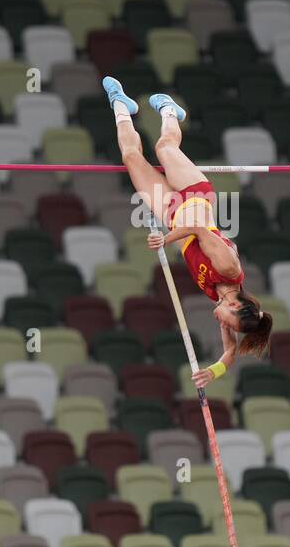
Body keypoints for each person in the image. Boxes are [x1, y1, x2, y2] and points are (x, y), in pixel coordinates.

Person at [104, 76, 273, 388]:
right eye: (228, 321)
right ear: (236, 305)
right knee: (164, 146)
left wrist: (214, 371)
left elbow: (230, 352)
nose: (222, 323)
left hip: (170, 212)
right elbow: (196, 226)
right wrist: (165, 241)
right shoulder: (229, 269)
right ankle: (170, 111)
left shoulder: (219, 299)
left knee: (131, 157)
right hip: (193, 195)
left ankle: (121, 105)